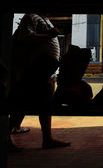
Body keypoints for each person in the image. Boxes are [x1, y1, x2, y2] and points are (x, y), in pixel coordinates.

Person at [8, 13, 71, 150]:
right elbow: (25, 37)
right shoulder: (31, 16)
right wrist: (49, 35)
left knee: (42, 101)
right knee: (23, 102)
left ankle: (47, 139)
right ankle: (6, 138)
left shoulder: (45, 18)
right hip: (36, 68)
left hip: (43, 69)